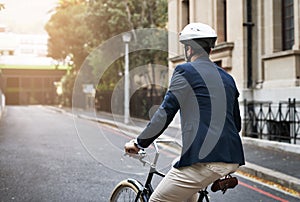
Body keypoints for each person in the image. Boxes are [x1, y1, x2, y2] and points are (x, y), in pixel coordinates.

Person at [124, 23, 245, 202]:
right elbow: (237, 124)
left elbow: (165, 112)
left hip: (206, 160)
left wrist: (139, 143)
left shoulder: (185, 71)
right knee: (184, 186)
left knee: (156, 200)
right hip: (231, 156)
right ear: (210, 50)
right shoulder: (227, 78)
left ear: (188, 49)